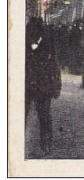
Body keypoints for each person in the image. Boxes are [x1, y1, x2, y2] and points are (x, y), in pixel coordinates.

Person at [25, 17, 61, 155]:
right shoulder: (42, 38)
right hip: (34, 84)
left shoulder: (46, 42)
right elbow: (55, 65)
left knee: (42, 116)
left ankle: (46, 145)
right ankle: (45, 145)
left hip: (37, 85)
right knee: (43, 116)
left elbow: (54, 65)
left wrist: (56, 86)